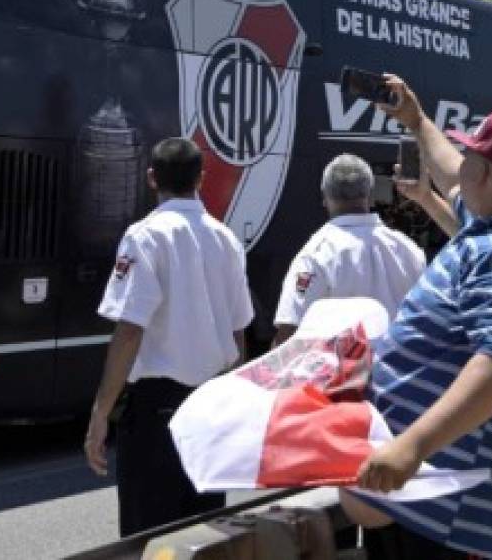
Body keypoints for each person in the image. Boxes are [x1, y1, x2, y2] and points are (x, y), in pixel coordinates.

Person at [341, 76, 492, 560]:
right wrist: (416, 119)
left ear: (485, 175)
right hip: (443, 503)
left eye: (470, 155)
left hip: (464, 517)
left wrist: (412, 445)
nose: (459, 162)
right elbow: (451, 173)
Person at [84, 137, 254, 537]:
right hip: (210, 408)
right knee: (205, 535)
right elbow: (238, 333)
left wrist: (99, 414)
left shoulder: (144, 237)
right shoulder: (226, 239)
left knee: (152, 537)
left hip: (156, 412)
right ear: (201, 179)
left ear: (150, 178)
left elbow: (128, 331)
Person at [272, 153, 425, 345]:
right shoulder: (409, 250)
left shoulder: (315, 255)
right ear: (370, 197)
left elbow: (290, 330)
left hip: (344, 373)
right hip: (399, 369)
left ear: (325, 198)